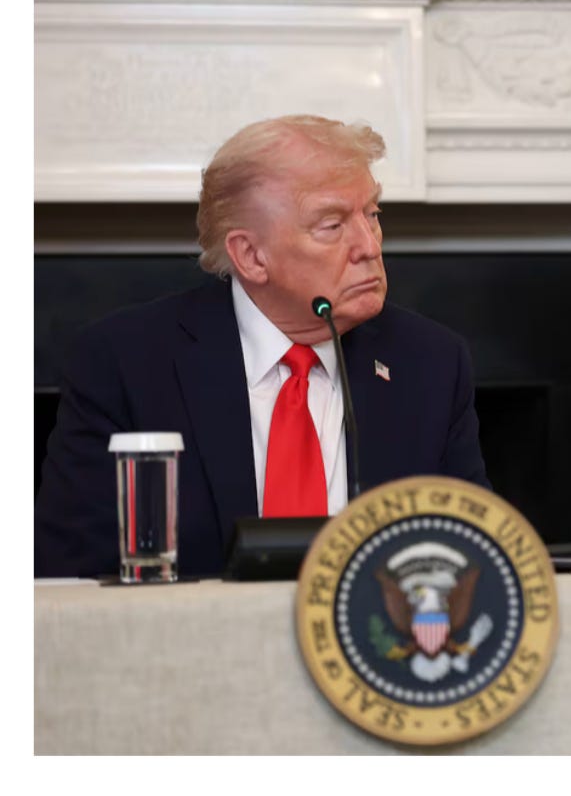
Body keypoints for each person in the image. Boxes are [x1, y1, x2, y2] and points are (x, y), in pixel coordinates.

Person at [35, 115, 489, 578]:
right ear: (251, 256)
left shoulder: (429, 363)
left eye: (372, 215)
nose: (369, 246)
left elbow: (474, 555)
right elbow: (68, 577)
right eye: (332, 225)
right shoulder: (126, 363)